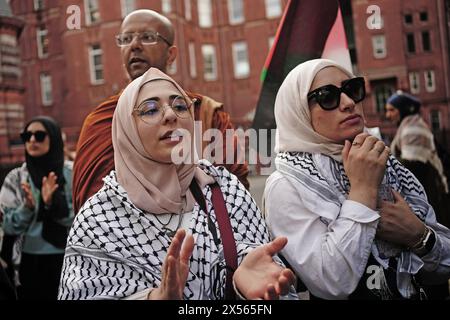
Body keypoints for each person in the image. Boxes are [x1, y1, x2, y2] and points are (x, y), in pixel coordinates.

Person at [58, 68, 295, 300]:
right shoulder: (97, 220)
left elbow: (272, 280)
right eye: (150, 109)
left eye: (180, 106)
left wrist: (244, 284)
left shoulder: (226, 190)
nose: (171, 115)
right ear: (127, 130)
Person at [263, 59, 450, 300]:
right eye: (327, 96)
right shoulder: (288, 184)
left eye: (352, 89)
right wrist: (362, 190)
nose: (349, 103)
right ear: (298, 112)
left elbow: (444, 268)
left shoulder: (388, 165)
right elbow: (332, 282)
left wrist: (419, 236)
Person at [72, 10, 249, 214]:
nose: (134, 45)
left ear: (171, 54)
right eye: (126, 39)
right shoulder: (101, 120)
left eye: (148, 38)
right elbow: (91, 204)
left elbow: (234, 192)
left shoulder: (207, 112)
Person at [0, 117, 74, 300]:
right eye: (27, 136)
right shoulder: (15, 178)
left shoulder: (71, 173)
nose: (32, 140)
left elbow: (83, 219)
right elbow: (7, 226)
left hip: (68, 259)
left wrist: (51, 204)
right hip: (27, 261)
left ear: (54, 139)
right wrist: (27, 208)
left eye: (39, 136)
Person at [385, 92, 449, 228]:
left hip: (429, 190)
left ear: (403, 110)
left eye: (391, 110)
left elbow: (411, 164)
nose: (388, 115)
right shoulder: (407, 125)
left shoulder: (413, 127)